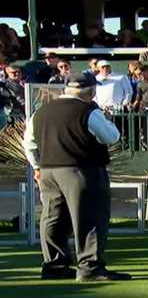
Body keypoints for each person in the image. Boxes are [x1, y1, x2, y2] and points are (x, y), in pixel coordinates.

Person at [22, 72, 131, 282]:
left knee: (52, 218)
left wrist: (37, 167)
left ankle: (54, 266)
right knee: (90, 217)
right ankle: (90, 267)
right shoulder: (88, 110)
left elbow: (29, 143)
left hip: (48, 171)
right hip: (82, 171)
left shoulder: (41, 112)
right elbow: (112, 136)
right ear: (91, 91)